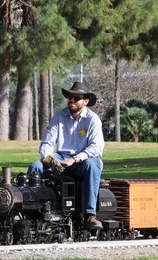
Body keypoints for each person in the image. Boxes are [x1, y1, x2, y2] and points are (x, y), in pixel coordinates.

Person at [28, 81, 105, 230]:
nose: (72, 100)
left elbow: (96, 148)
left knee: (93, 164)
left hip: (81, 161)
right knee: (36, 166)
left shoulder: (93, 119)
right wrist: (51, 161)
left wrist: (75, 159)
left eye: (77, 98)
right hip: (60, 159)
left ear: (86, 101)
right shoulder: (59, 116)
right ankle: (32, 210)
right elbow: (46, 144)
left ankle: (90, 215)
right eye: (70, 97)